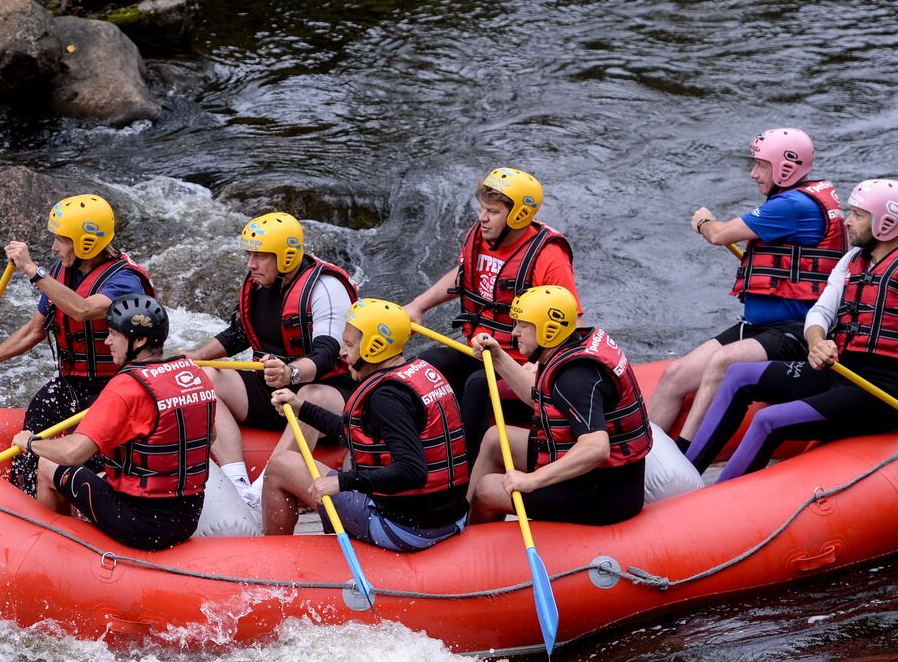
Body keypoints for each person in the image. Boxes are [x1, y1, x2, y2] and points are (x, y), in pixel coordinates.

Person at [685, 179, 898, 481]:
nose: (848, 221)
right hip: (840, 371)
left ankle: (713, 499)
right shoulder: (853, 261)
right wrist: (816, 342)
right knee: (738, 375)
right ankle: (685, 474)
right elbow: (821, 312)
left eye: (858, 215)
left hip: (883, 394)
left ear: (885, 223)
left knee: (768, 420)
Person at [648, 128, 847, 451]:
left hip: (797, 331)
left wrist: (703, 222)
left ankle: (684, 456)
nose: (754, 173)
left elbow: (720, 234)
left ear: (785, 166)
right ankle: (640, 460)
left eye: (760, 165)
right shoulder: (800, 198)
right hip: (758, 327)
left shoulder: (793, 206)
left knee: (722, 362)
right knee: (675, 375)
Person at [0, 194, 156, 494]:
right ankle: (26, 497)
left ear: (87, 243)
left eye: (61, 240)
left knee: (92, 457)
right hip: (70, 381)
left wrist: (33, 271)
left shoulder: (125, 281)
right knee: (34, 427)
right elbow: (34, 331)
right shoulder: (61, 271)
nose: (54, 247)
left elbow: (83, 309)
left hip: (114, 388)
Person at [403, 167, 582, 463]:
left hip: (522, 361)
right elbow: (463, 276)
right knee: (427, 365)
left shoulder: (549, 255)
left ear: (518, 216)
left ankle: (465, 469)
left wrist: (548, 367)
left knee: (477, 384)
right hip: (480, 347)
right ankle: (416, 449)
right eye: (482, 209)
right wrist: (418, 306)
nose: (482, 218)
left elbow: (570, 320)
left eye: (493, 211)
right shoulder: (481, 237)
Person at [260, 298, 470, 552]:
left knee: (281, 466)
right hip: (450, 518)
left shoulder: (386, 398)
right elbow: (355, 434)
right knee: (352, 457)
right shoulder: (418, 371)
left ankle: (270, 557)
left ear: (375, 346)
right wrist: (301, 408)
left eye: (349, 344)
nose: (342, 352)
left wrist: (343, 482)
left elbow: (413, 471)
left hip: (404, 528)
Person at [11, 294, 215, 551]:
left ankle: (51, 551)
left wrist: (30, 443)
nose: (107, 341)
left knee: (48, 464)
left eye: (114, 334)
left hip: (141, 525)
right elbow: (211, 437)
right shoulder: (194, 374)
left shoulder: (127, 386)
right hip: (188, 515)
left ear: (139, 340)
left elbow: (72, 453)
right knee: (101, 472)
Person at [183, 212, 357, 507]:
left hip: (328, 395)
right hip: (274, 387)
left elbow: (328, 354)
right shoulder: (259, 283)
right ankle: (238, 484)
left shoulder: (326, 287)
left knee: (313, 396)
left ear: (286, 257)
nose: (251, 264)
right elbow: (238, 334)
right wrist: (193, 358)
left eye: (260, 256)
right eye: (250, 255)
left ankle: (264, 486)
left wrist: (290, 373)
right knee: (205, 377)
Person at [468, 285, 651, 526]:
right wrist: (499, 356)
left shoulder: (575, 378)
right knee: (495, 440)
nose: (514, 333)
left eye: (523, 325)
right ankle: (461, 526)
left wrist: (533, 480)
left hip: (605, 492)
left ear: (549, 329)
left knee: (488, 489)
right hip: (591, 475)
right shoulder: (568, 346)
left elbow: (597, 448)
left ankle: (471, 551)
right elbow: (537, 396)